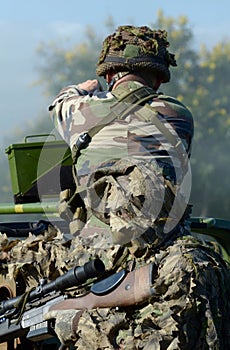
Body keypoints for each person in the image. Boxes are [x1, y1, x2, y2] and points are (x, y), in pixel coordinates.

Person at [46, 25, 230, 349]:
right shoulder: (179, 116)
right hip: (165, 257)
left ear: (110, 73)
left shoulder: (79, 113)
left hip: (96, 261)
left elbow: (59, 103)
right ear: (158, 78)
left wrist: (82, 89)